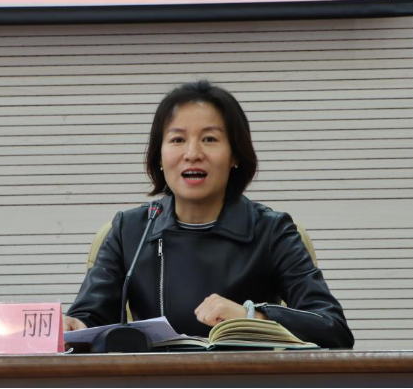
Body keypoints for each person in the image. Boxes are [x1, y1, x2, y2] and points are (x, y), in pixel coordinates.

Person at [64, 80, 354, 348]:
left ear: (235, 155)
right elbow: (88, 319)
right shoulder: (130, 231)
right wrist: (69, 327)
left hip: (245, 378)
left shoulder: (272, 231)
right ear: (159, 157)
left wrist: (251, 317)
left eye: (210, 139)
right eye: (177, 140)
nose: (192, 153)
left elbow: (334, 329)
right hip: (156, 378)